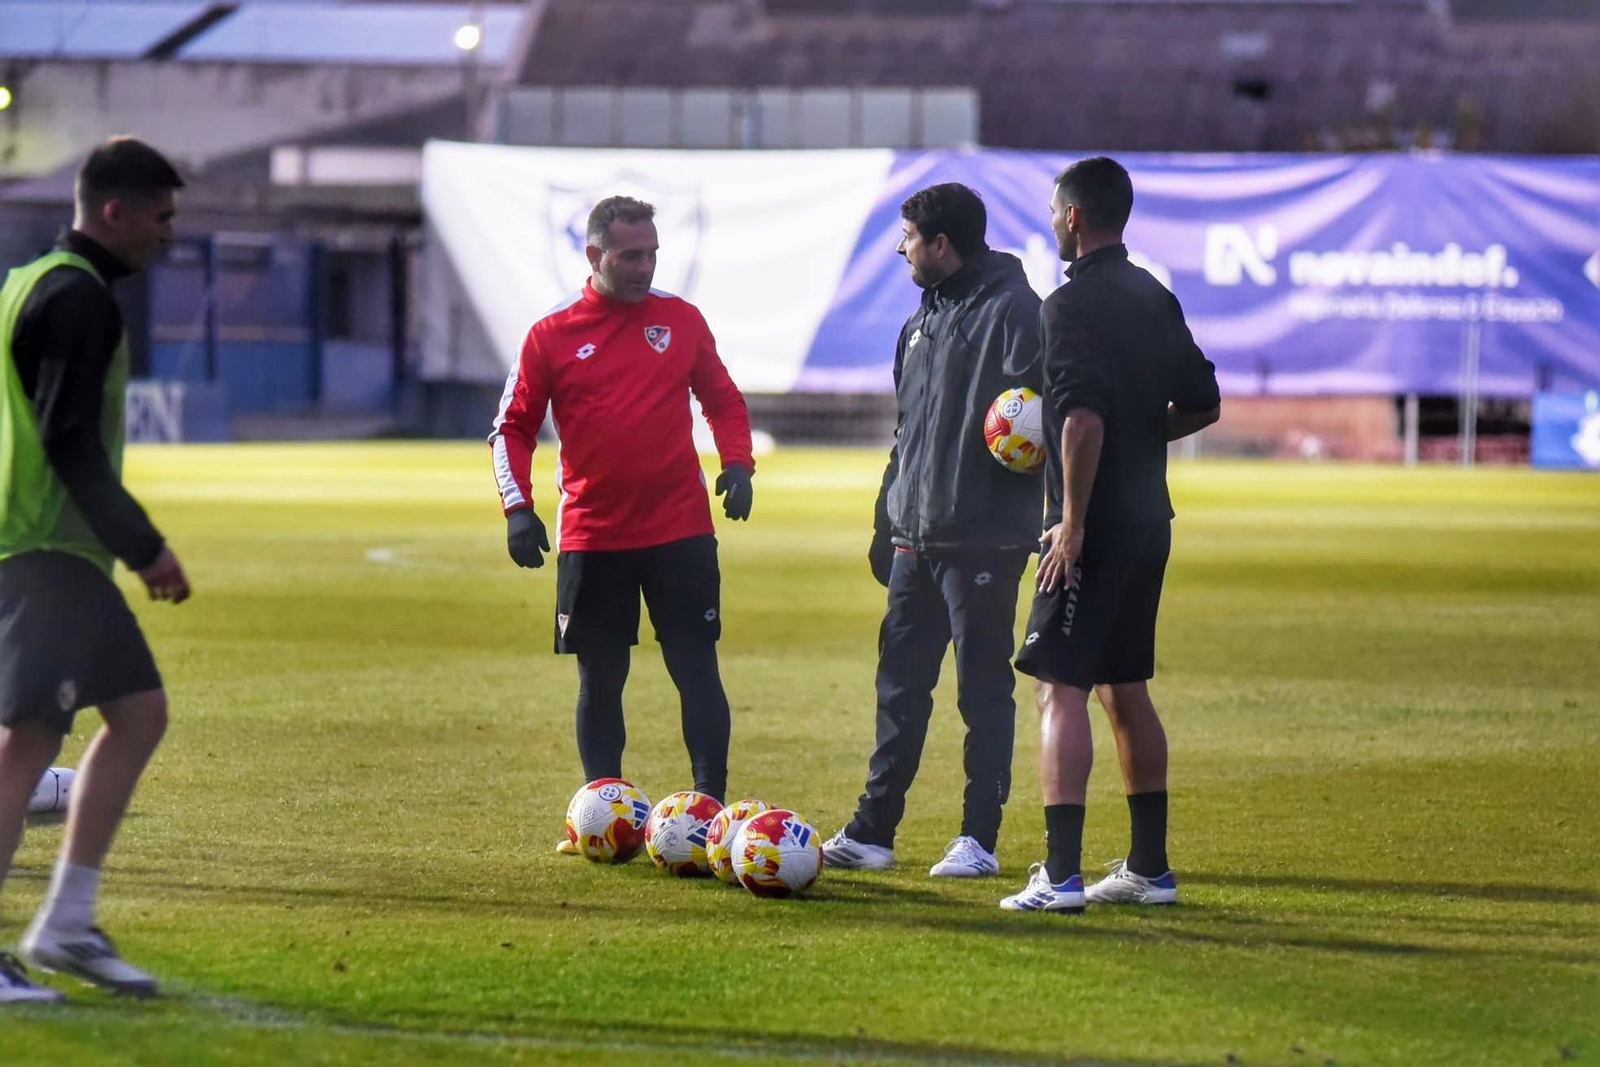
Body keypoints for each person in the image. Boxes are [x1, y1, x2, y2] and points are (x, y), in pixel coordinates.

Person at [488, 195, 753, 847]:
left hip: (681, 530)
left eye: (652, 253)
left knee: (697, 669)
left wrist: (739, 462)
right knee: (600, 678)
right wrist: (517, 508)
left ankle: (709, 812)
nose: (644, 266)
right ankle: (602, 816)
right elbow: (512, 427)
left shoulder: (680, 320)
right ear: (594, 255)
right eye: (630, 254)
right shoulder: (551, 333)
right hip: (593, 535)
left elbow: (721, 397)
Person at [1000, 157, 1220, 913]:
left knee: (1058, 690)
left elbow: (1083, 419)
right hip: (1149, 521)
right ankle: (1149, 869)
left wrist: (1071, 524)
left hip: (1091, 529)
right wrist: (1140, 436)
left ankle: (1059, 876)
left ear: (1073, 218)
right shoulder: (1154, 295)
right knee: (1125, 689)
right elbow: (1203, 400)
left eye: (1056, 213)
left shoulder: (1066, 307)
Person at [0, 137, 190, 1001]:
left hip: (48, 547)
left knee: (140, 713)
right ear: (113, 211)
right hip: (47, 547)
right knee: (26, 744)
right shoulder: (81, 302)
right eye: (160, 216)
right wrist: (144, 544)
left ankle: (67, 925)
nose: (166, 234)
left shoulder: (28, 281)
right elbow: (67, 438)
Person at [824, 183, 1042, 878]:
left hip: (982, 538)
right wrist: (887, 518)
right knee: (899, 689)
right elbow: (906, 435)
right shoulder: (919, 322)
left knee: (981, 693)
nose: (900, 248)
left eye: (909, 237)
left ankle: (978, 837)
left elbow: (1044, 418)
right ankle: (873, 830)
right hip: (915, 538)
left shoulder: (1015, 312)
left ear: (941, 244)